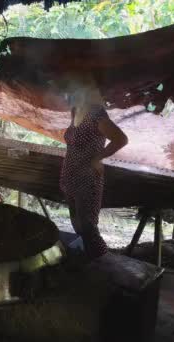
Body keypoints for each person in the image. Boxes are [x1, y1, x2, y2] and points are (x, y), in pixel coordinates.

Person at [60, 78, 128, 260]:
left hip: (87, 178)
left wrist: (99, 157)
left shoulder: (97, 115)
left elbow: (121, 139)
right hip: (70, 174)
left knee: (88, 227)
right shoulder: (75, 111)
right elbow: (73, 140)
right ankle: (87, 259)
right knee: (76, 224)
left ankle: (102, 261)